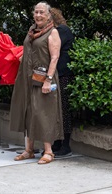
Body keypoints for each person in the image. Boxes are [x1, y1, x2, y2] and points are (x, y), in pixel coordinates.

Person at [9, 1, 64, 164]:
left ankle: (48, 151)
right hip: (26, 78)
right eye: (36, 12)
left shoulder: (53, 32)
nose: (38, 15)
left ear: (48, 15)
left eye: (42, 13)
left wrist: (48, 80)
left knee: (43, 113)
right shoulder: (32, 31)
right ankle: (29, 150)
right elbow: (28, 50)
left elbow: (54, 58)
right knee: (28, 111)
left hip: (44, 79)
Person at [50, 8, 75, 158]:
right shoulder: (59, 30)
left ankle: (66, 145)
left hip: (64, 75)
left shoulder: (62, 30)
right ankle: (57, 143)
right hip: (57, 75)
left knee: (64, 110)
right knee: (56, 111)